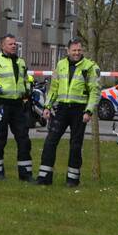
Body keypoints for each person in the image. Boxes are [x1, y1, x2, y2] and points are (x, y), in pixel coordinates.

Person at [35, 39, 100, 187]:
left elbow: (95, 92)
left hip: (80, 110)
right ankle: (44, 177)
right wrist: (47, 106)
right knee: (50, 141)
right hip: (62, 109)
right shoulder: (60, 65)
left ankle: (72, 179)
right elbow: (54, 88)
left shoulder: (90, 67)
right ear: (68, 50)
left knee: (75, 145)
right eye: (74, 50)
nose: (77, 53)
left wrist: (89, 111)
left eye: (79, 50)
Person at [0, 34, 33, 181]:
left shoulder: (21, 62)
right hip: (2, 104)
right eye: (10, 44)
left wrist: (27, 90)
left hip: (18, 105)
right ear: (3, 46)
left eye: (15, 44)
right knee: (0, 139)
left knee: (24, 139)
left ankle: (25, 174)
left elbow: (26, 80)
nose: (14, 46)